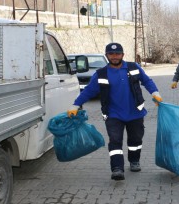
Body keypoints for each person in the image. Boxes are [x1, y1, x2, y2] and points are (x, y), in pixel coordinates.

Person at [68, 42, 162, 181]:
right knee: (115, 141)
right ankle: (117, 168)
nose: (114, 56)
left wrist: (155, 93)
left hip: (135, 112)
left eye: (117, 53)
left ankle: (134, 160)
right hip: (113, 114)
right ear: (107, 55)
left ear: (122, 55)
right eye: (111, 54)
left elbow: (147, 81)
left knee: (135, 140)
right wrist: (76, 105)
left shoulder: (133, 67)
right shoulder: (101, 74)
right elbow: (89, 91)